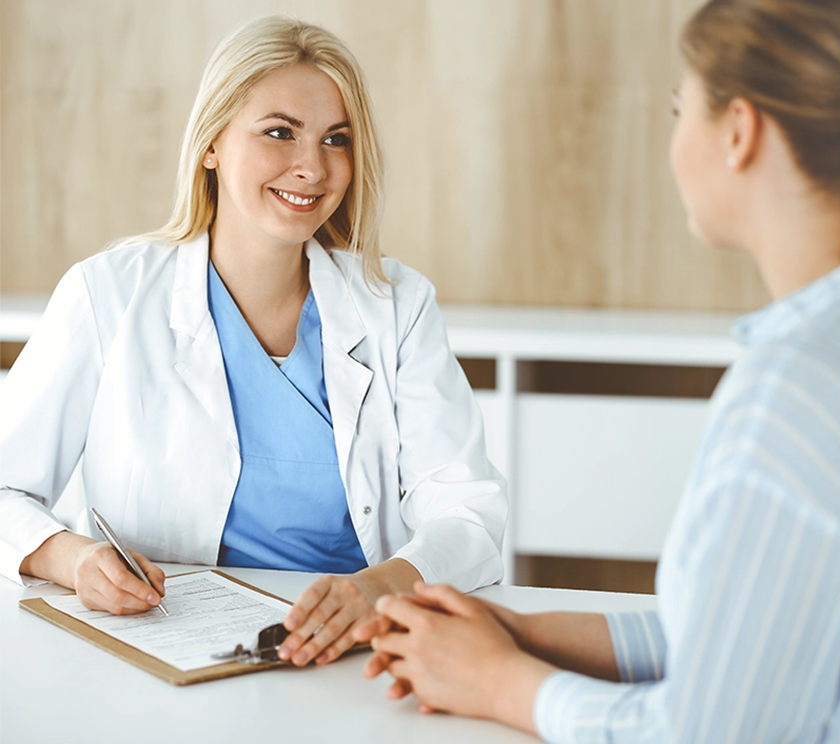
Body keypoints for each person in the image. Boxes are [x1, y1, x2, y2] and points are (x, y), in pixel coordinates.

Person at [355, 0, 840, 740]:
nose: (674, 141)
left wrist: (501, 684)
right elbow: (734, 636)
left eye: (681, 109)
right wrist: (520, 632)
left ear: (739, 131)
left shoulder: (802, 387)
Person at [0, 16, 507, 668]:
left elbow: (470, 515)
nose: (312, 167)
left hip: (350, 654)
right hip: (162, 650)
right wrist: (72, 558)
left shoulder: (396, 307)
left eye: (336, 140)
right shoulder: (108, 295)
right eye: (278, 132)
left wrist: (377, 589)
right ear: (211, 142)